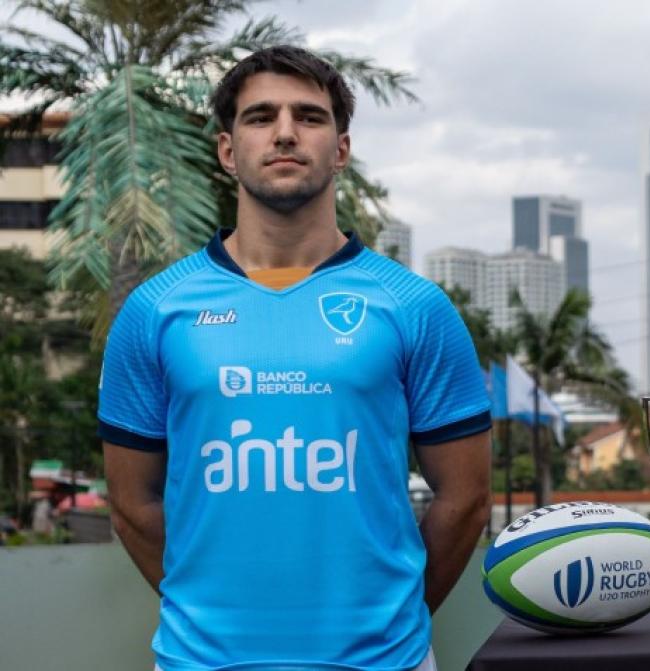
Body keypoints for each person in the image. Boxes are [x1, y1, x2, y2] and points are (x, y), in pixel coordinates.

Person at [99, 46, 492, 671]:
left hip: (384, 661)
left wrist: (393, 621)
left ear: (340, 150)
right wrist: (206, 612)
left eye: (309, 116)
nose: (285, 132)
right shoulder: (155, 309)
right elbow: (131, 505)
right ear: (229, 150)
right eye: (261, 117)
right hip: (202, 662)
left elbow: (466, 499)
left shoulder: (414, 306)